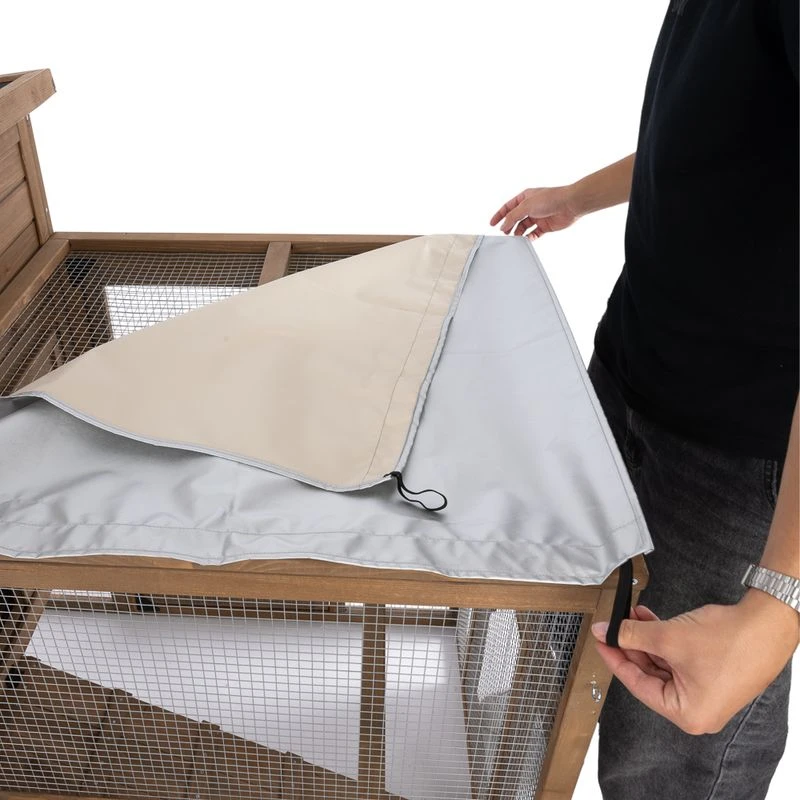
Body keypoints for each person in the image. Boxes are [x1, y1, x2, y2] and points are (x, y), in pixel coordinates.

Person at [490, 1, 799, 798]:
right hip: (629, 370)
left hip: (737, 453)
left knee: (666, 749)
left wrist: (778, 604)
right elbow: (729, 130)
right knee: (572, 638)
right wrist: (581, 194)